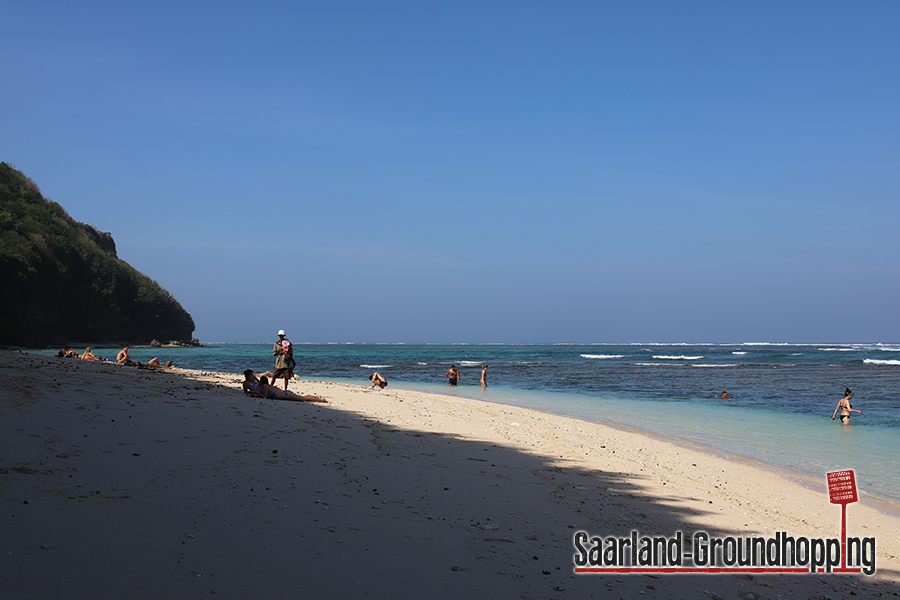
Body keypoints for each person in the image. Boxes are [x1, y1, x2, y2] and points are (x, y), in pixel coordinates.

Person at [255, 376, 326, 403]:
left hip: (286, 395)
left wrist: (258, 392)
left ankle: (320, 400)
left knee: (303, 398)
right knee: (302, 397)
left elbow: (265, 396)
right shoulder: (268, 385)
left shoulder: (265, 386)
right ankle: (317, 397)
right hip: (286, 393)